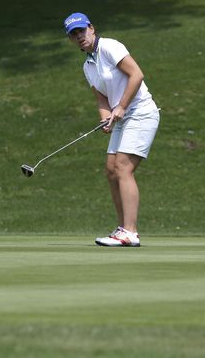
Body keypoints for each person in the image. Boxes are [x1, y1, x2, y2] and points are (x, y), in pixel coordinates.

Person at [63, 12, 160, 247]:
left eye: (81, 31)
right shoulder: (88, 65)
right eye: (74, 35)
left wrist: (122, 107)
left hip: (140, 113)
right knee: (111, 170)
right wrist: (106, 118)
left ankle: (130, 231)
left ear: (92, 29)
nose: (79, 37)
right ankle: (121, 229)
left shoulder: (109, 46)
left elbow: (136, 74)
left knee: (123, 167)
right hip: (121, 117)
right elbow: (101, 99)